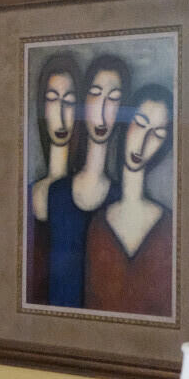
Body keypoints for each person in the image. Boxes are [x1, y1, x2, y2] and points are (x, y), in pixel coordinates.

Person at [46, 53, 131, 308]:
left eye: (114, 98)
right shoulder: (55, 193)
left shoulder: (121, 199)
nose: (103, 109)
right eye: (95, 94)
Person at [85, 84, 174, 317]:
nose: (144, 140)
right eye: (141, 124)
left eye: (157, 133)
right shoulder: (97, 225)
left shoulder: (170, 228)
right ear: (125, 125)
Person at [26, 53, 80, 304]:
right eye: (52, 100)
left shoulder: (86, 195)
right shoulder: (26, 195)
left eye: (69, 102)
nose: (60, 112)